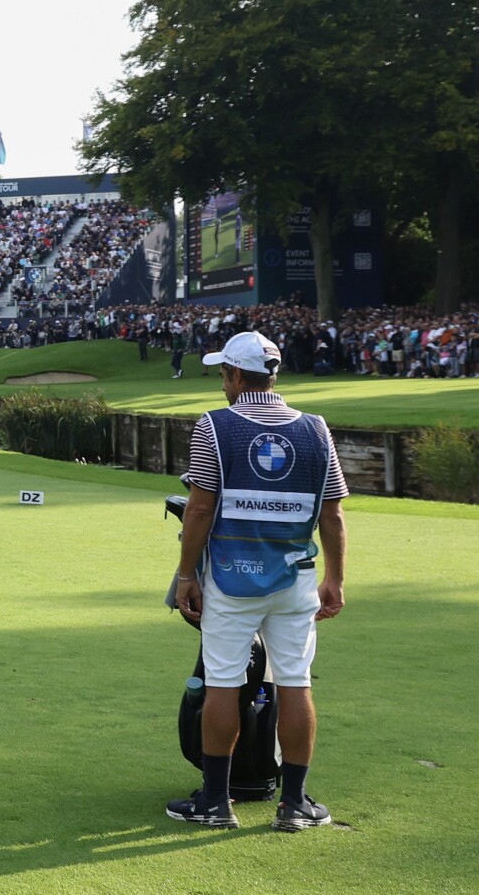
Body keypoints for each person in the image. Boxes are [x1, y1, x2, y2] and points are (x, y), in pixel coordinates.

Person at [167, 331, 348, 832]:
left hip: (230, 576)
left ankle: (216, 802)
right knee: (295, 682)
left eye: (221, 373)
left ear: (232, 375)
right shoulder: (316, 428)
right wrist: (336, 578)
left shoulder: (215, 426)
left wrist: (186, 575)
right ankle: (294, 804)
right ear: (274, 375)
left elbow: (200, 509)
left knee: (223, 683)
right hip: (296, 577)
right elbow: (331, 515)